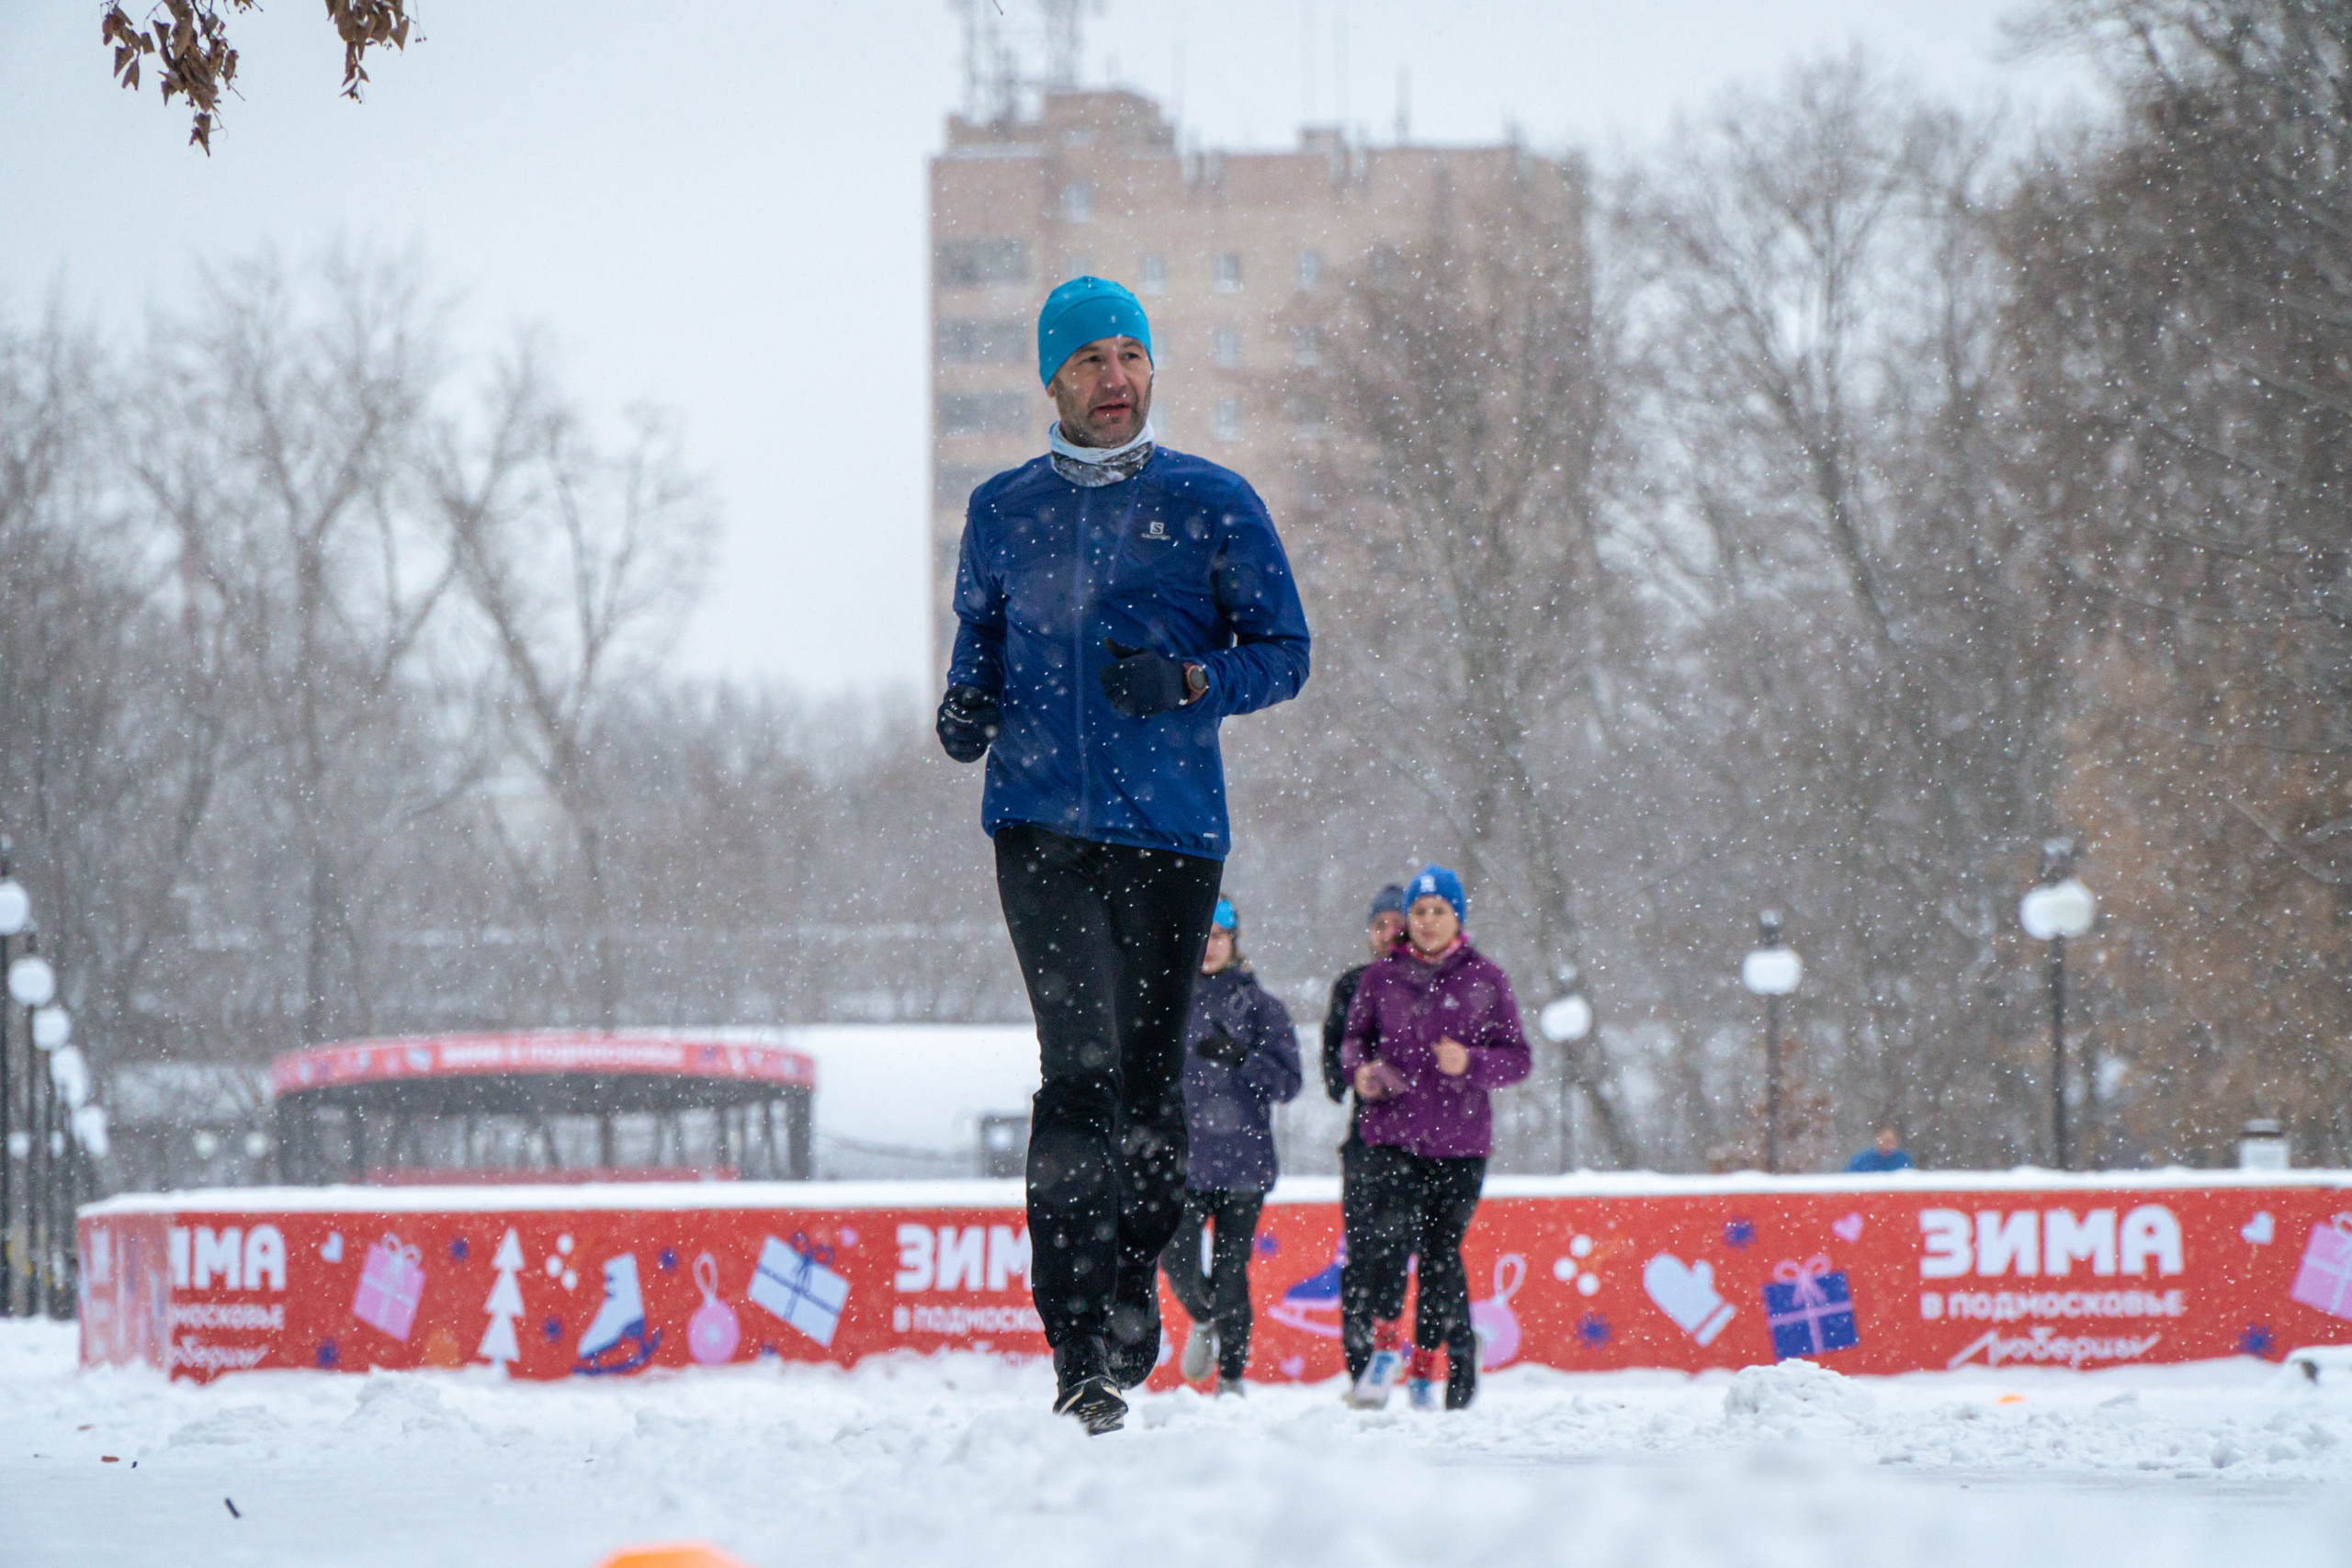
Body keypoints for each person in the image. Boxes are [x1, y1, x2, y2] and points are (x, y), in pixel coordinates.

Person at [935, 276, 1312, 1434]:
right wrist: (964, 707)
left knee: (1147, 1081)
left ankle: (1130, 1289)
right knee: (1078, 1071)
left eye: (1131, 357)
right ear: (1050, 380)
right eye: (1090, 360)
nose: (1115, 378)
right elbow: (977, 641)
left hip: (1170, 834)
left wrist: (1194, 679)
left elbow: (1285, 653)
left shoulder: (1211, 502)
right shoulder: (1003, 511)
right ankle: (1076, 1342)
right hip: (1039, 828)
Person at [1338, 864, 1530, 1411]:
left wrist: (1471, 1062)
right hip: (1392, 1136)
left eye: (1438, 911)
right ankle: (1384, 1348)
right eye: (1419, 911)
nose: (1427, 921)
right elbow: (1352, 1040)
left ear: (1457, 918)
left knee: (1441, 1257)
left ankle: (1425, 1366)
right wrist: (1361, 1072)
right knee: (1387, 1244)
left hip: (1461, 1143)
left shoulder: (1486, 978)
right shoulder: (1381, 978)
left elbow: (1518, 1059)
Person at [1161, 897, 1302, 1393]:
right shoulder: (1167, 1000)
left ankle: (1233, 1376)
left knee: (1231, 1272)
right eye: (1201, 936)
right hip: (1183, 1160)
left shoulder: (1261, 1007)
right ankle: (1204, 1319)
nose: (1209, 947)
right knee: (1174, 1257)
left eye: (1218, 937)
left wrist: (1243, 1058)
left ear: (1234, 942)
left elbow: (1289, 1084)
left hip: (1244, 1163)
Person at [1847, 1125, 1916, 1173]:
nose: (1889, 1144)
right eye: (1886, 1141)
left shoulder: (1902, 1159)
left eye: (1892, 1141)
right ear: (1878, 1140)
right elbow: (1850, 1178)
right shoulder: (1863, 1160)